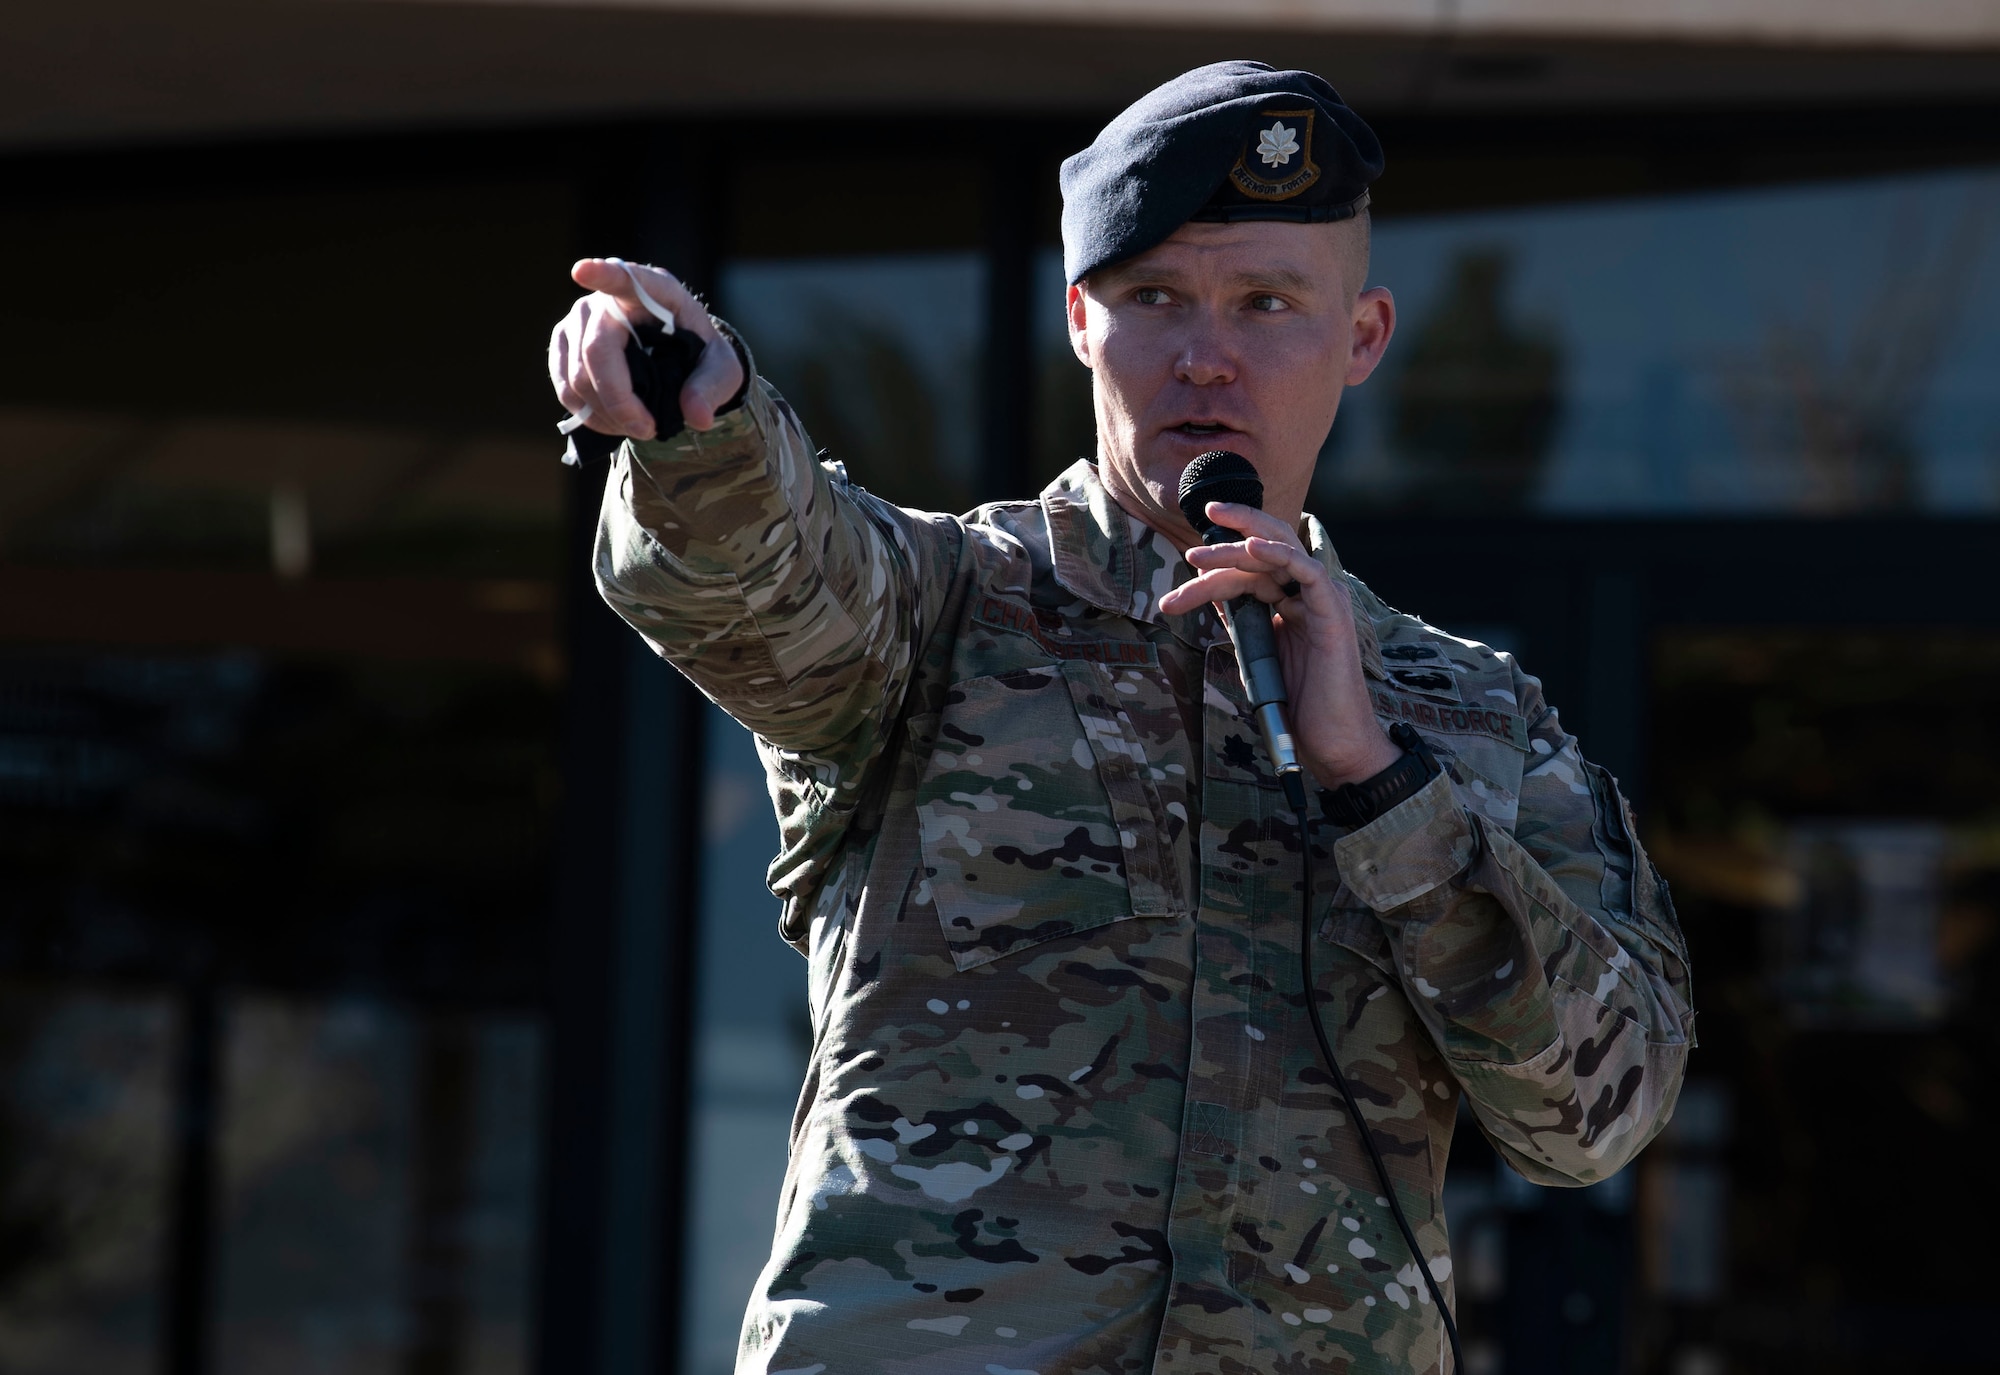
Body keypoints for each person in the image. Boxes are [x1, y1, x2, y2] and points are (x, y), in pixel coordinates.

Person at [549, 60, 1694, 1375]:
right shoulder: (939, 611)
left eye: (1267, 302)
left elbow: (1590, 1119)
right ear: (1083, 319)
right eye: (1158, 299)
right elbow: (764, 574)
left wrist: (1380, 785)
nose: (1208, 355)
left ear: (1363, 337)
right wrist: (708, 428)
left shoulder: (1472, 714)